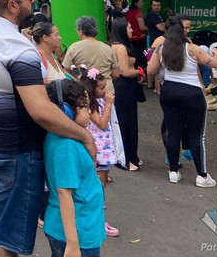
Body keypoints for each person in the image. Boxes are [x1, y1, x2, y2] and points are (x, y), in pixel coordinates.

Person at [0, 0, 95, 257]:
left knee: (2, 233)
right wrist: (84, 135)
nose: (33, 3)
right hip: (15, 151)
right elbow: (40, 110)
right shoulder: (17, 46)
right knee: (9, 244)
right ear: (13, 4)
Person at [147, 16, 217, 187]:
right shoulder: (193, 48)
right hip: (191, 93)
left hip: (169, 91)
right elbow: (216, 63)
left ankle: (173, 172)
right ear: (182, 31)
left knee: (173, 132)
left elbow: (150, 71)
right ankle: (202, 176)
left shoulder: (161, 48)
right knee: (197, 135)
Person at [43, 79, 106, 257]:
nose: (89, 111)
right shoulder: (67, 147)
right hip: (78, 232)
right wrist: (72, 244)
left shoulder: (63, 137)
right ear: (66, 111)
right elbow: (64, 192)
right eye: (84, 107)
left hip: (81, 227)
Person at [78, 68, 119, 238]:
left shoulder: (99, 101)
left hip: (105, 149)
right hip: (98, 150)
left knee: (100, 185)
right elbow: (102, 124)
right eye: (101, 88)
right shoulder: (91, 105)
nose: (105, 91)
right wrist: (108, 104)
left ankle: (93, 217)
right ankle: (97, 221)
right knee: (98, 187)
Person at [109, 18, 142, 171]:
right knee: (126, 122)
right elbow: (125, 71)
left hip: (124, 86)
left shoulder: (114, 45)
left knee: (125, 121)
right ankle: (126, 158)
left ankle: (130, 155)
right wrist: (139, 72)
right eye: (129, 27)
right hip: (124, 86)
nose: (132, 30)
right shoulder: (121, 47)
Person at [62, 16, 120, 92]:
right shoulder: (107, 48)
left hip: (84, 90)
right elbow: (116, 74)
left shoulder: (73, 48)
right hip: (106, 89)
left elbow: (66, 71)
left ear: (81, 31)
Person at [124, 0, 149, 68]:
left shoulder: (128, 13)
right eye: (140, 2)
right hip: (140, 39)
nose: (142, 3)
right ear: (135, 3)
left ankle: (137, 69)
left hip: (131, 38)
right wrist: (150, 28)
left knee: (135, 55)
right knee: (144, 54)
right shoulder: (138, 13)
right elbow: (142, 27)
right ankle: (144, 69)